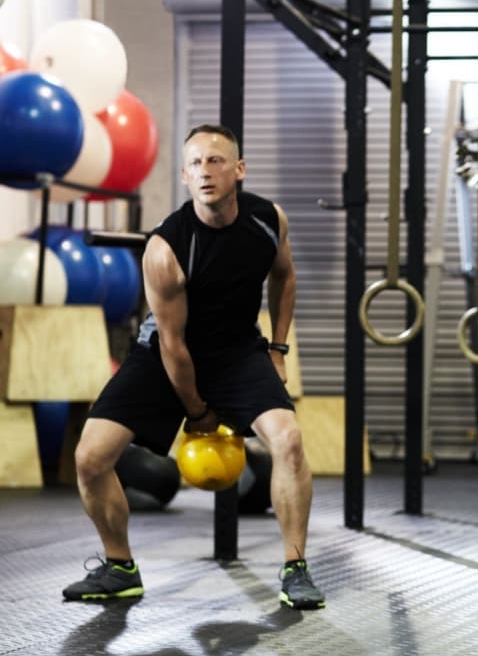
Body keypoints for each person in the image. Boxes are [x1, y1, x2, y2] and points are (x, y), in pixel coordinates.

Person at [64, 124, 325, 610]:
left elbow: (284, 277)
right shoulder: (167, 248)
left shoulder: (268, 220)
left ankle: (296, 569)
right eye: (195, 164)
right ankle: (120, 567)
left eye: (216, 161)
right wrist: (198, 412)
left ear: (239, 170)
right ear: (184, 176)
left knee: (288, 440)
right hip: (165, 354)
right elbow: (173, 345)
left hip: (238, 352)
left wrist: (277, 350)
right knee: (90, 458)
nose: (205, 171)